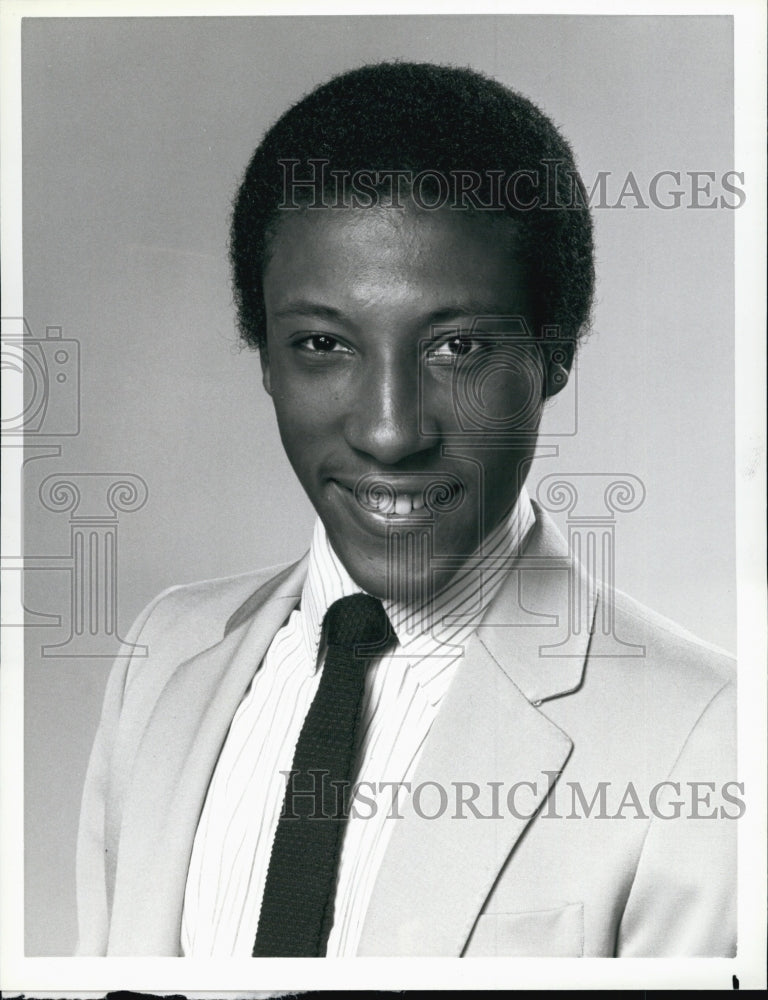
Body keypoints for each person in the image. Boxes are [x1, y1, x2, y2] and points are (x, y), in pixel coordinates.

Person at [75, 62, 737, 958]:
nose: (390, 432)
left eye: (458, 347)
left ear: (554, 357)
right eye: (322, 344)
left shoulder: (710, 736)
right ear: (264, 357)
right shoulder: (162, 660)